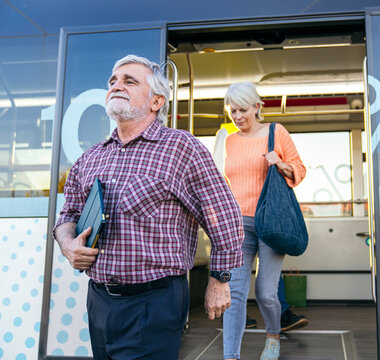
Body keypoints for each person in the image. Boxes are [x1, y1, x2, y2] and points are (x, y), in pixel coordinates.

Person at [52, 55, 244, 360]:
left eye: (129, 81)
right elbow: (68, 215)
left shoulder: (182, 148)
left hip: (154, 302)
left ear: (156, 102)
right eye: (113, 81)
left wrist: (219, 281)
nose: (117, 85)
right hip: (99, 299)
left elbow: (224, 217)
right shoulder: (90, 158)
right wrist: (67, 244)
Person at [222, 82, 306, 360]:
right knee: (233, 294)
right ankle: (230, 355)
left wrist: (280, 164)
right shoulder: (230, 141)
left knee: (266, 293)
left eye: (243, 109)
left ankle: (273, 335)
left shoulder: (275, 132)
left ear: (257, 107)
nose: (238, 116)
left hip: (269, 222)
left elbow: (300, 169)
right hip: (238, 224)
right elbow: (227, 181)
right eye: (233, 111)